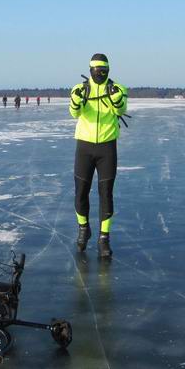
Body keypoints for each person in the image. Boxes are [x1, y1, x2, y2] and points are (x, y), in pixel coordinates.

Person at [69, 53, 128, 258]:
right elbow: (74, 113)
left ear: (109, 70)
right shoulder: (80, 89)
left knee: (106, 193)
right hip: (84, 146)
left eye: (104, 71)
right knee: (81, 191)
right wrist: (76, 100)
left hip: (107, 147)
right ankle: (83, 229)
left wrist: (116, 98)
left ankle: (104, 238)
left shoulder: (118, 88)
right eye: (97, 71)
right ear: (91, 70)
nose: (100, 74)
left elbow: (121, 109)